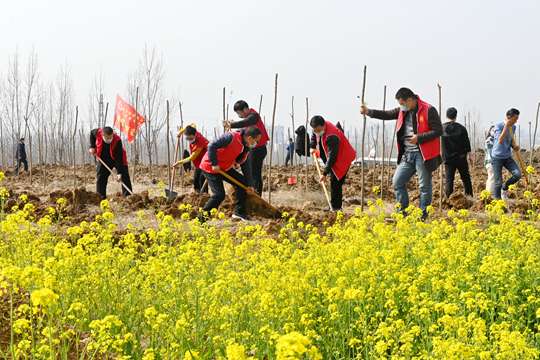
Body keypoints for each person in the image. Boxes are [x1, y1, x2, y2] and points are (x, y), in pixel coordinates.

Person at [361, 87, 442, 219]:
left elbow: (438, 130)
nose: (401, 107)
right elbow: (386, 114)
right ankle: (402, 213)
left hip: (423, 154)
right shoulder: (402, 111)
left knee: (424, 187)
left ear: (410, 100)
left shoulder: (428, 110)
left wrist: (419, 138)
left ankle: (423, 216)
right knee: (397, 182)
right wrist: (368, 112)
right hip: (407, 154)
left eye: (402, 103)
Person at [199, 127, 261, 221]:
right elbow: (212, 146)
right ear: (249, 138)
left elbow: (245, 166)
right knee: (219, 195)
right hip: (210, 167)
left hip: (224, 168)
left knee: (242, 183)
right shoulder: (230, 137)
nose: (256, 144)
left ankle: (238, 213)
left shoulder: (245, 147)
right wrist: (214, 163)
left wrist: (250, 185)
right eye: (255, 141)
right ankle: (201, 219)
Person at [309, 116, 356, 211]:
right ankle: (334, 205)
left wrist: (325, 173)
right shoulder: (321, 127)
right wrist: (312, 145)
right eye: (314, 130)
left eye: (317, 130)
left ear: (322, 126)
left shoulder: (332, 136)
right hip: (335, 157)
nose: (316, 132)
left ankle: (336, 208)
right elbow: (314, 134)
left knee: (336, 182)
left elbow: (332, 157)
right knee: (334, 182)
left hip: (342, 158)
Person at [225, 100, 269, 195]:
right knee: (252, 172)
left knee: (254, 174)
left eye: (239, 113)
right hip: (253, 149)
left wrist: (232, 125)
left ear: (245, 109)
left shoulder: (254, 116)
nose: (239, 116)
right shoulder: (248, 121)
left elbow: (246, 122)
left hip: (258, 149)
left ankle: (256, 194)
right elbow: (242, 131)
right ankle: (252, 192)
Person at [89, 126, 132, 199]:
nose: (109, 139)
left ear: (113, 134)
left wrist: (119, 173)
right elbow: (91, 134)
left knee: (124, 176)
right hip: (103, 158)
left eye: (111, 137)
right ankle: (101, 197)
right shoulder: (97, 133)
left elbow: (119, 158)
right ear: (102, 135)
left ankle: (128, 197)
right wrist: (92, 147)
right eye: (107, 138)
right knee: (101, 177)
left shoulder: (117, 140)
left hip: (117, 158)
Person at [490, 108, 522, 200]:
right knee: (498, 182)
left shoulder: (514, 127)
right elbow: (500, 140)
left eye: (517, 119)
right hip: (497, 157)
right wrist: (506, 126)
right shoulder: (499, 126)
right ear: (509, 117)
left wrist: (514, 146)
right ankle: (497, 201)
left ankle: (505, 186)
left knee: (517, 174)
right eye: (515, 119)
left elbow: (510, 140)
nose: (516, 121)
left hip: (507, 156)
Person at [441, 107, 473, 198]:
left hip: (448, 159)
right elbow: (467, 144)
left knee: (449, 180)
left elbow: (437, 145)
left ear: (446, 115)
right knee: (466, 178)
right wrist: (469, 156)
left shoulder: (441, 129)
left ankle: (448, 198)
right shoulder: (462, 128)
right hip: (461, 158)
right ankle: (470, 197)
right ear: (456, 116)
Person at [173, 125, 209, 193]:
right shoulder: (193, 130)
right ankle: (196, 194)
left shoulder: (200, 142)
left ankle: (205, 196)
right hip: (198, 163)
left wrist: (179, 162)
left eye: (190, 138)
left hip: (206, 161)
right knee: (196, 180)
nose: (189, 140)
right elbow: (189, 126)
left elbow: (191, 158)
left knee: (202, 179)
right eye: (187, 138)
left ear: (194, 135)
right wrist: (180, 132)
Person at [484, 125, 496, 192]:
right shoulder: (490, 140)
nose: (495, 132)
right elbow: (491, 151)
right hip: (491, 162)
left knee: (491, 177)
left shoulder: (489, 139)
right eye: (493, 131)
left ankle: (489, 193)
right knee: (492, 177)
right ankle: (489, 194)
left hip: (489, 162)